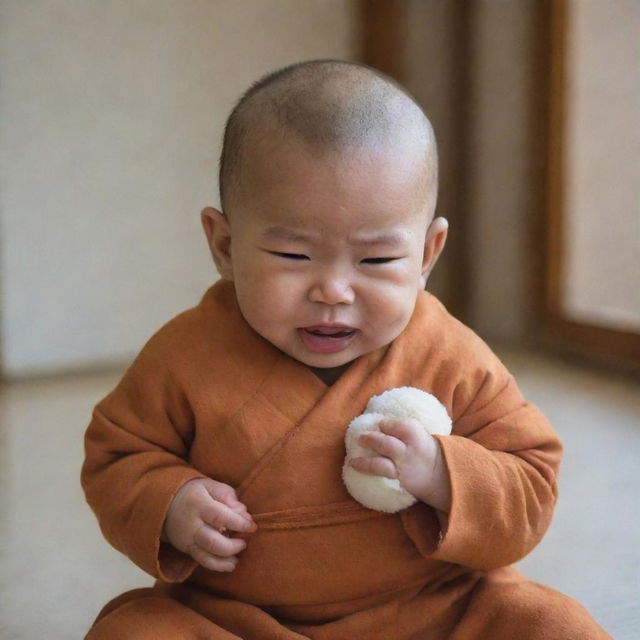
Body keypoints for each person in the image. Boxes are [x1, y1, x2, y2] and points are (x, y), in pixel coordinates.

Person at [81, 59, 609, 639]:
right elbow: (117, 457)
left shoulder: (451, 354)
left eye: (377, 259)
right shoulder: (185, 355)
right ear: (225, 245)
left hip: (433, 610)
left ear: (428, 255)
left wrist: (443, 474)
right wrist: (171, 502)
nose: (333, 290)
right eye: (293, 255)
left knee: (552, 625)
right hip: (239, 617)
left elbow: (530, 482)